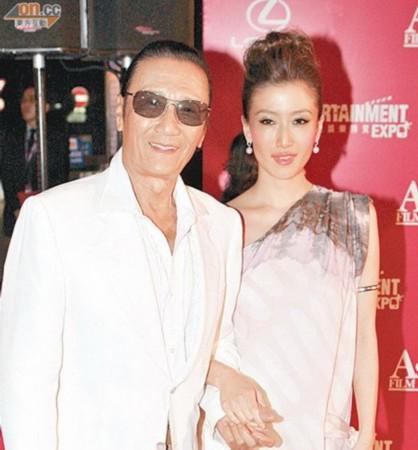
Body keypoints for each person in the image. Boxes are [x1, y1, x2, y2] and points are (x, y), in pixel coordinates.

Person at [0, 40, 244, 450]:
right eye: (151, 103)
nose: (169, 125)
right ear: (121, 110)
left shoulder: (222, 226)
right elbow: (25, 383)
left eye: (188, 111)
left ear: (203, 130)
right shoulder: (53, 219)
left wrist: (222, 417)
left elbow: (218, 345)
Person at [203, 30, 379, 450]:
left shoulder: (354, 217)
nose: (284, 140)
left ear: (319, 125)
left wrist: (368, 433)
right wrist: (217, 416)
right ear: (247, 128)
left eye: (299, 121)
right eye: (268, 121)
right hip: (241, 437)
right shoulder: (216, 223)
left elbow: (364, 336)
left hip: (323, 437)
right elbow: (196, 346)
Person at [0, 86, 69, 236]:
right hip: (16, 211)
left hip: (45, 210)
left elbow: (61, 174)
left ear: (45, 106)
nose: (26, 104)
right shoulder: (11, 136)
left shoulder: (55, 138)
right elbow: (6, 173)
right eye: (23, 100)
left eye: (32, 100)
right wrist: (16, 207)